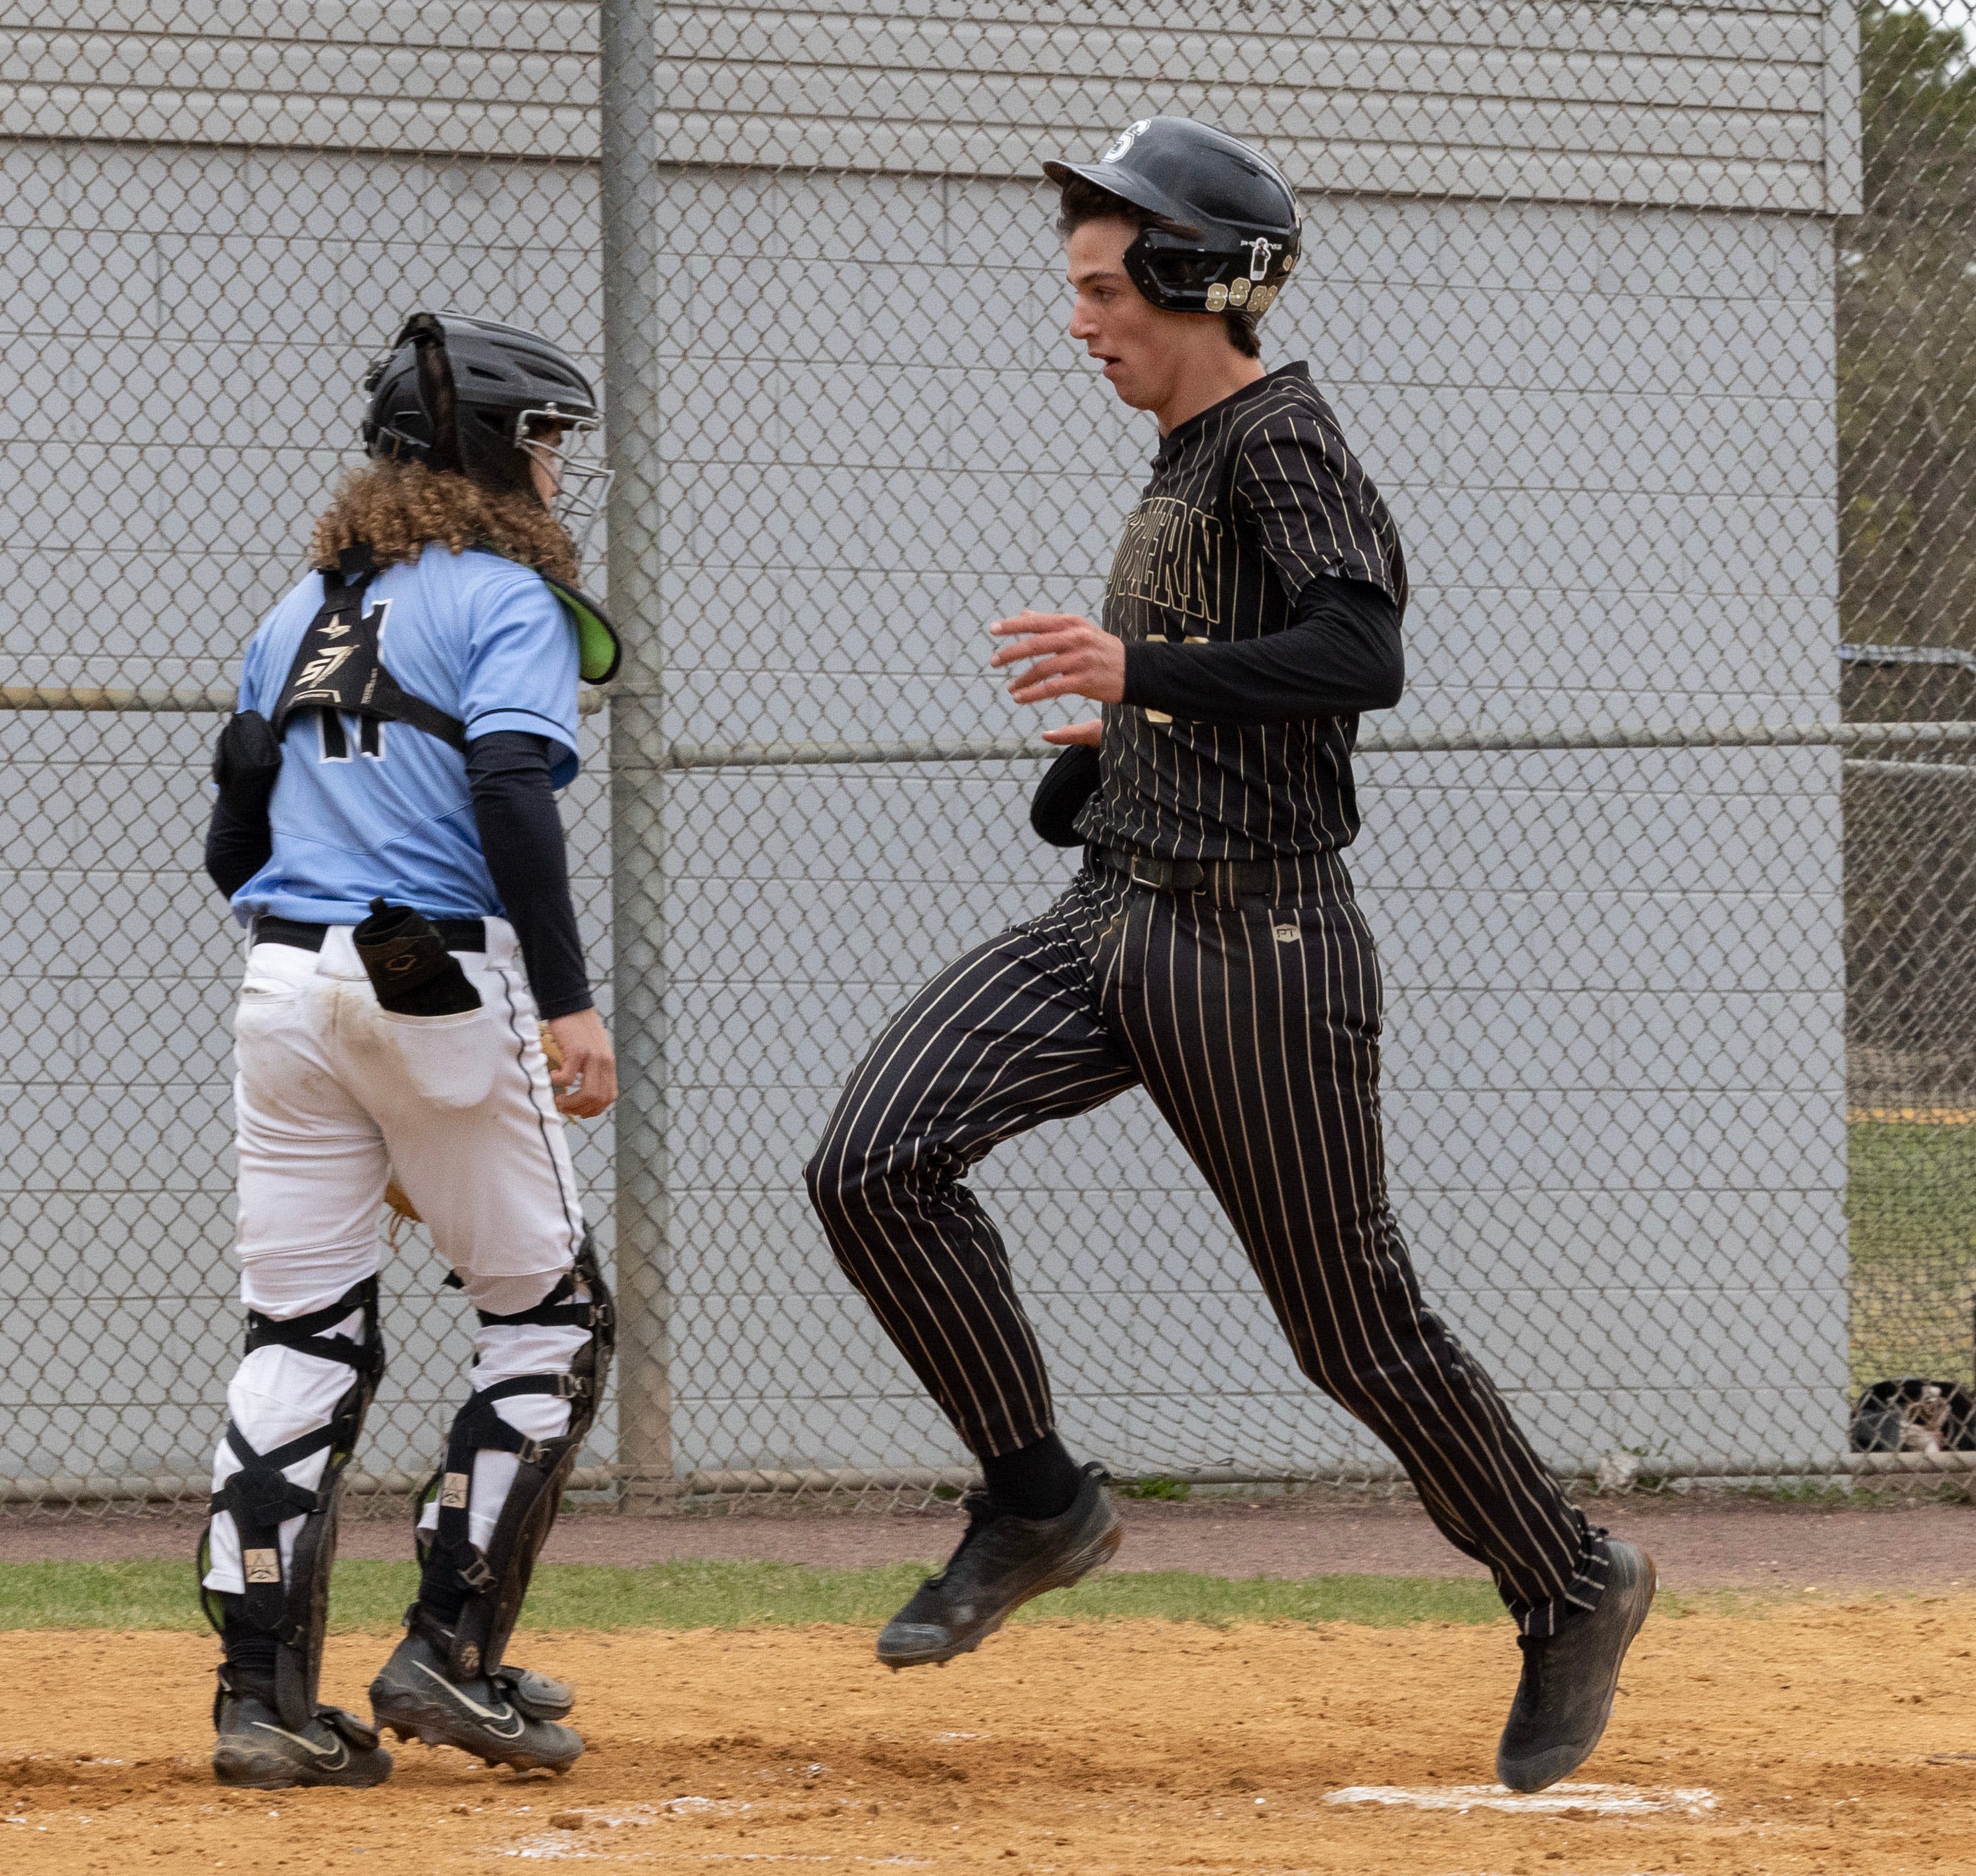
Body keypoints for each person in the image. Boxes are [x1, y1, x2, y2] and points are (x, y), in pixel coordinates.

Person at [805, 118, 1655, 1794]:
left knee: (1353, 1328)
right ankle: (1039, 1498)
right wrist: (1104, 741)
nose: (1080, 322)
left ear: (1202, 279)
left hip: (1257, 938)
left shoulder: (1282, 433)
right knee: (872, 1160)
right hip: (1119, 908)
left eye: (1107, 287)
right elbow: (1208, 667)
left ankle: (1569, 1577)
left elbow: (1359, 650)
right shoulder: (1180, 462)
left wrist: (1140, 671)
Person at [198, 311, 620, 1788]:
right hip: (429, 968)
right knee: (555, 1318)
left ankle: (259, 1699)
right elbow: (512, 793)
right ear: (492, 453)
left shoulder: (294, 611)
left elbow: (233, 841)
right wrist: (567, 1000)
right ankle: (447, 1648)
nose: (560, 467)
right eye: (548, 441)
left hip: (283, 988)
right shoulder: (504, 595)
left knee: (299, 1333)